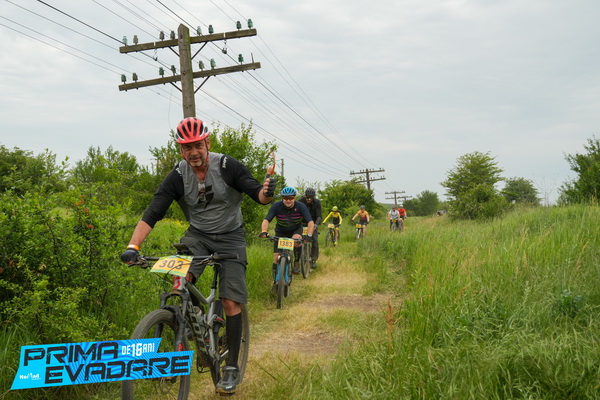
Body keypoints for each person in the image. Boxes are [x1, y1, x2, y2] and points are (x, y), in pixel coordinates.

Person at [119, 117, 276, 395]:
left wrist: (266, 192)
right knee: (180, 277)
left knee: (230, 301)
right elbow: (153, 211)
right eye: (187, 147)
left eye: (197, 145)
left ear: (207, 143)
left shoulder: (227, 166)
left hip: (231, 235)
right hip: (198, 235)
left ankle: (231, 367)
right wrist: (133, 246)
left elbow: (258, 194)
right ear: (181, 150)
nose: (193, 152)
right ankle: (196, 320)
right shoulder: (178, 175)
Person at [259, 186, 314, 277]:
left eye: (291, 198)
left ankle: (296, 262)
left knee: (297, 241)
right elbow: (266, 220)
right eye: (285, 198)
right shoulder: (276, 206)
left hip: (295, 229)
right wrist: (264, 231)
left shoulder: (301, 206)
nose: (288, 200)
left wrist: (309, 235)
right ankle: (275, 280)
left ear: (294, 198)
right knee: (276, 257)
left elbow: (310, 222)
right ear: (282, 198)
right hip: (281, 231)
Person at [297, 187, 322, 269]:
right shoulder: (300, 201)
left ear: (313, 197)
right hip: (302, 222)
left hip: (313, 223)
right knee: (298, 240)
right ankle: (298, 260)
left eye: (311, 198)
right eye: (307, 197)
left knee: (315, 240)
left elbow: (319, 216)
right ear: (305, 195)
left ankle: (313, 259)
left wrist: (316, 225)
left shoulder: (317, 202)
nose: (309, 199)